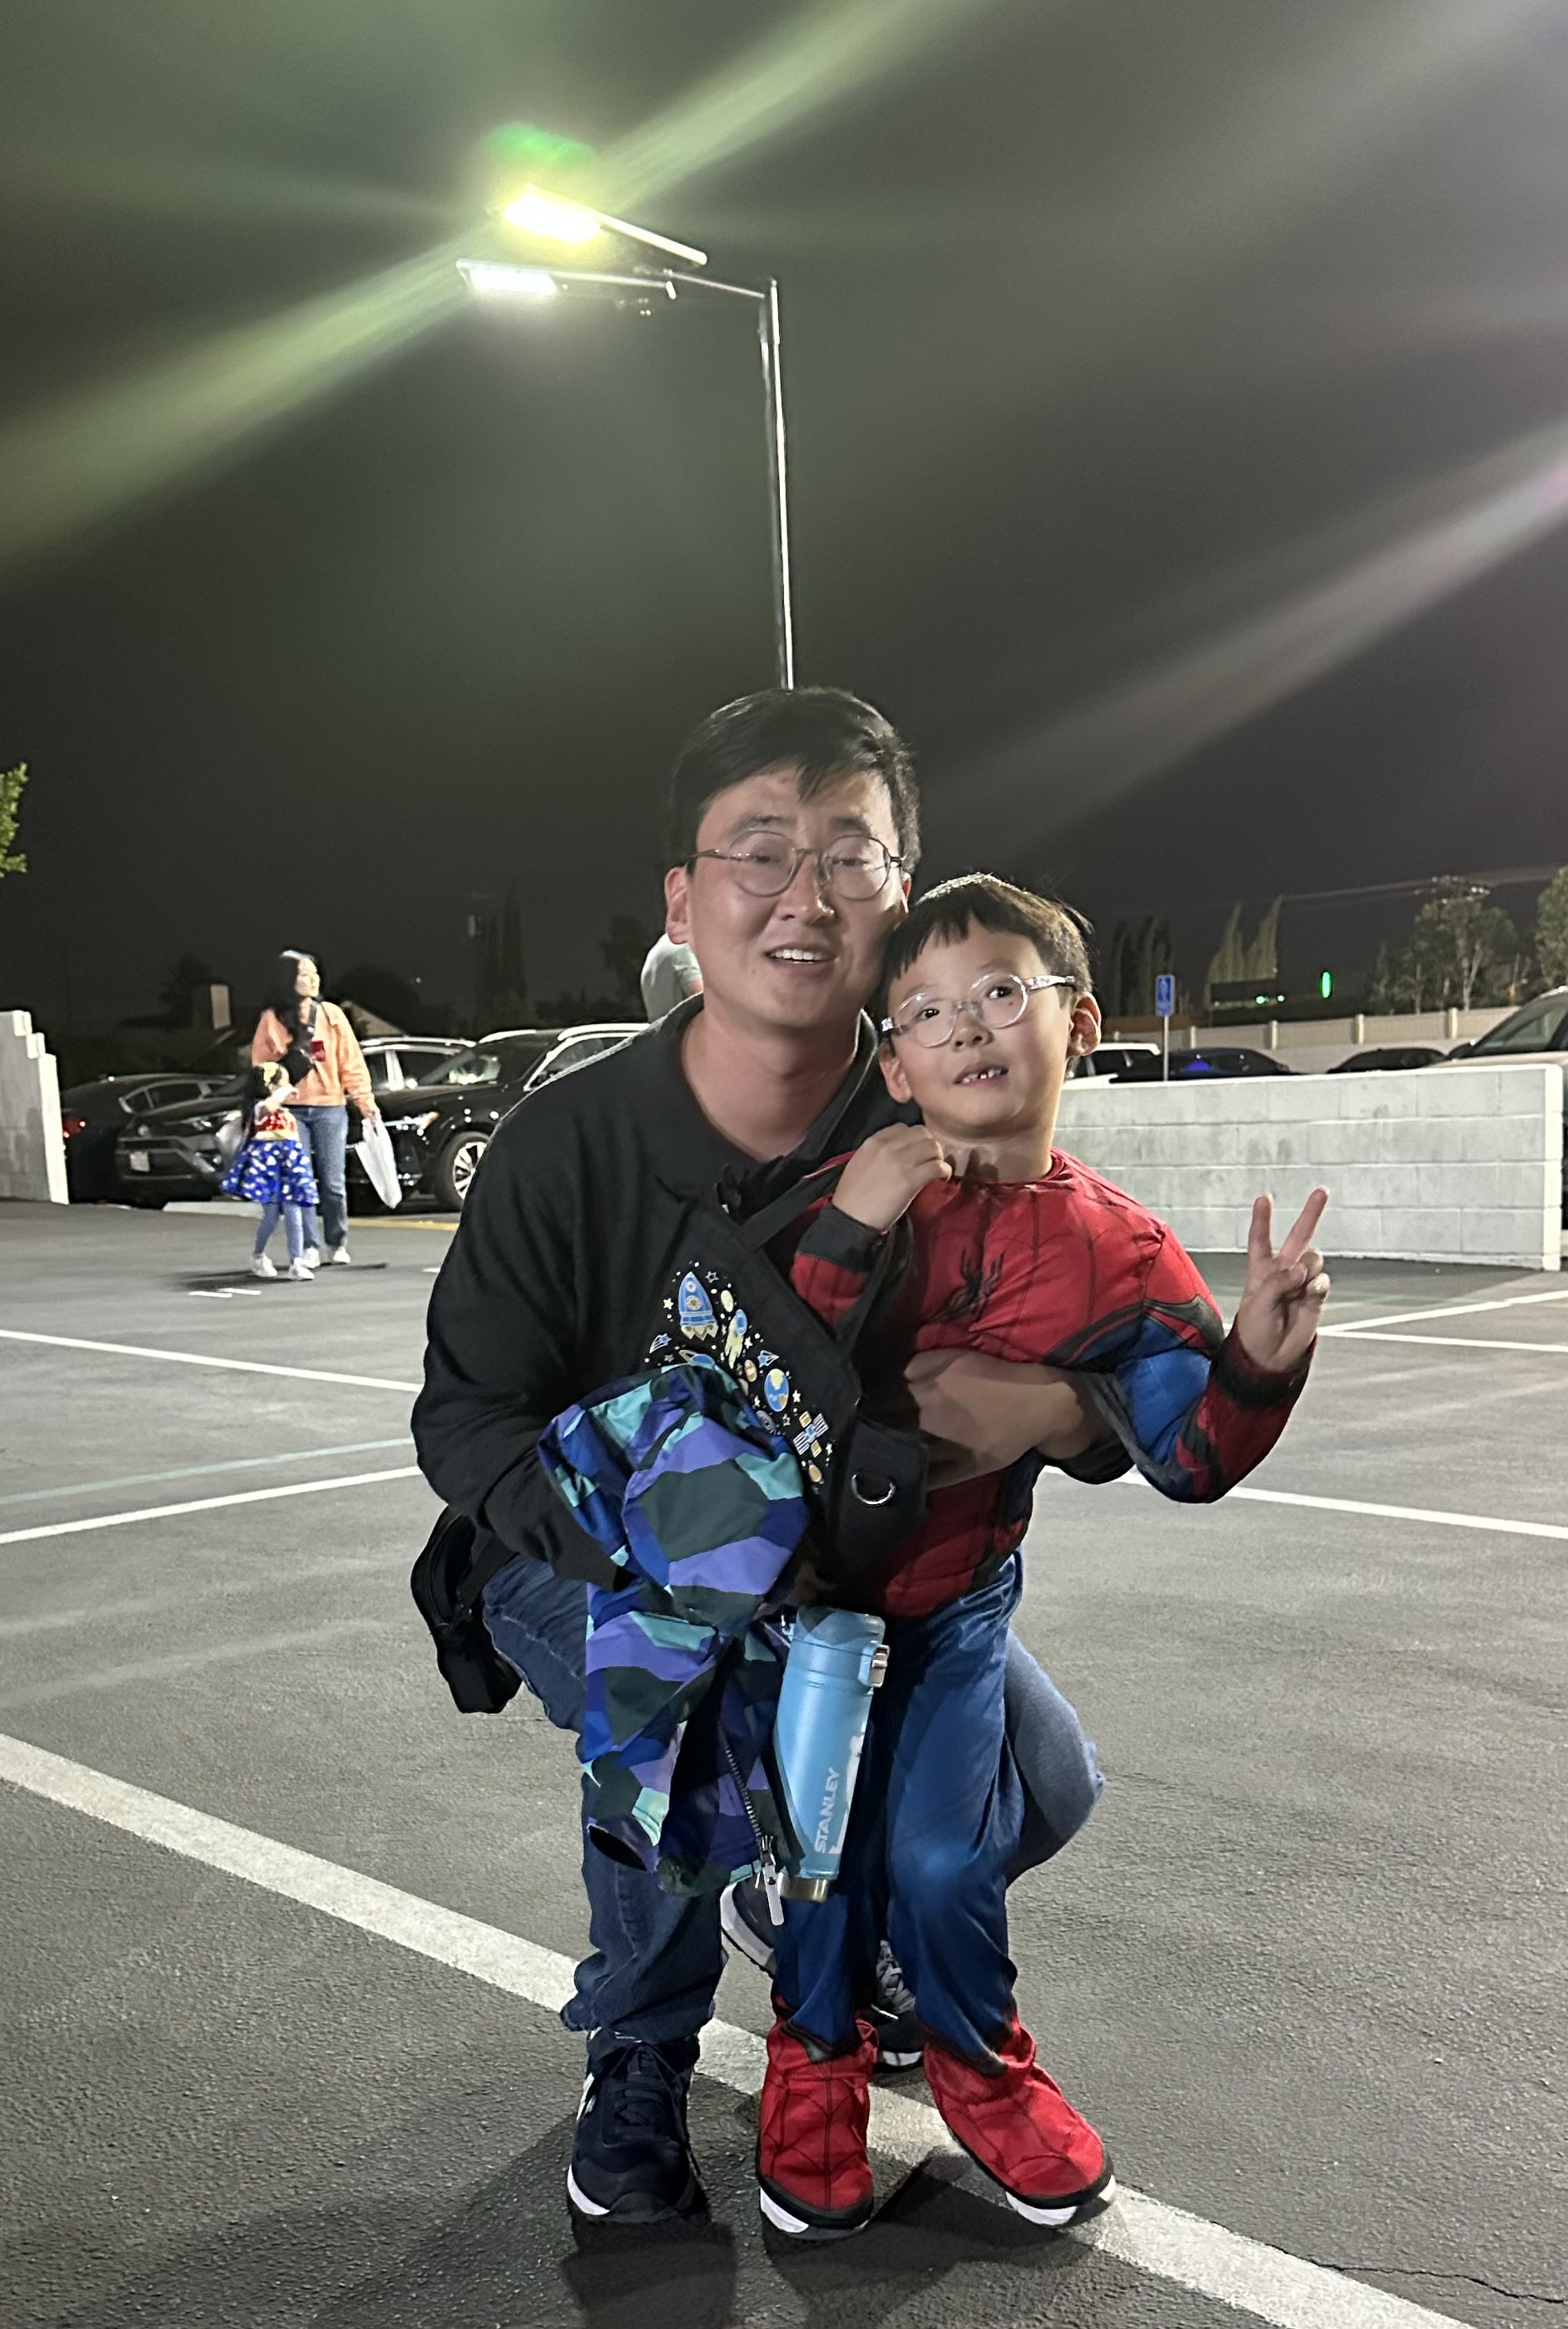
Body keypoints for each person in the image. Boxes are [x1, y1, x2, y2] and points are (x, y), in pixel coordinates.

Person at [413, 687, 1116, 2229]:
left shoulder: (931, 1102)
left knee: (1046, 1782)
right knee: (698, 1741)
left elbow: (1092, 1322)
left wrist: (1066, 1417)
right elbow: (464, 1420)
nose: (805, 896)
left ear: (899, 897)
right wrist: (674, 1547)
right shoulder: (568, 1147)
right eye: (758, 853)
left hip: (851, 1570)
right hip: (585, 1546)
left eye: (848, 857)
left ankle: (838, 1923)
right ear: (683, 901)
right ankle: (641, 2044)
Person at [752, 875, 1329, 2238]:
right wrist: (848, 1232)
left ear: (1080, 1021)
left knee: (943, 1863)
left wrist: (1258, 1361)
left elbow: (1188, 1455)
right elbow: (752, 1389)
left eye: (1001, 991)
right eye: (925, 1011)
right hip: (798, 1611)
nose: (965, 1027)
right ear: (893, 1061)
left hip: (954, 1611)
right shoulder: (843, 1193)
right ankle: (812, 2069)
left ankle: (981, 2073)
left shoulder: (1117, 1249)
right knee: (819, 1858)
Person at [250, 950, 378, 1267]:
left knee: (333, 1182)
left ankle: (337, 1241)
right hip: (291, 1111)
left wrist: (365, 1100)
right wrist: (270, 1097)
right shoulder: (272, 1020)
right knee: (301, 1180)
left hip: (330, 1108)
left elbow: (351, 1062)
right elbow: (260, 1068)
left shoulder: (331, 1015)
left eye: (314, 973)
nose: (312, 980)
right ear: (288, 980)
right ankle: (309, 1246)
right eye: (303, 974)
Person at [221, 1048, 319, 1280]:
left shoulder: (287, 1114)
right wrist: (281, 1093)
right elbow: (268, 1107)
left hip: (290, 1167)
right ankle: (259, 1255)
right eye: (283, 1082)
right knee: (272, 1217)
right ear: (270, 1087)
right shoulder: (260, 1109)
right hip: (268, 1168)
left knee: (294, 1212)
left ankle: (296, 1262)